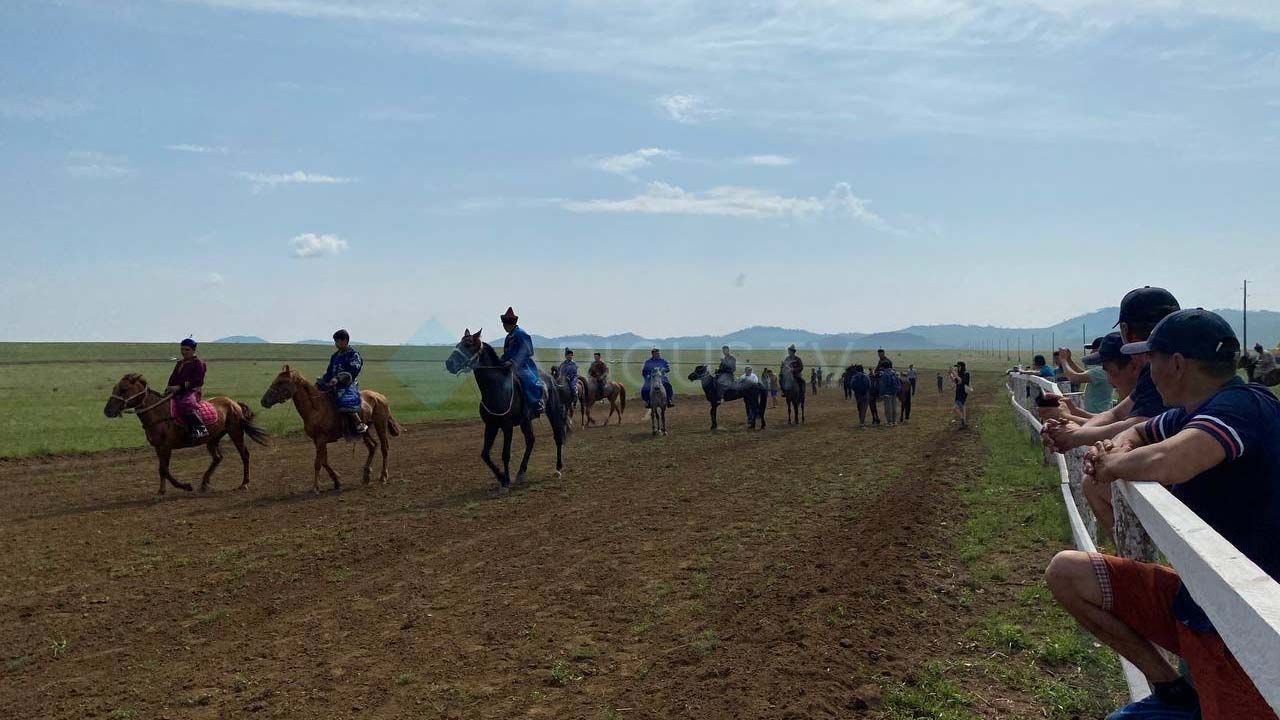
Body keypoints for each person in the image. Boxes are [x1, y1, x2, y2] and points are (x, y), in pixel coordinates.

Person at [1045, 309, 1279, 720]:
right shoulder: (1193, 410)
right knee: (1068, 572)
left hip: (1246, 626)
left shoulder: (1241, 407)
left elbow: (1176, 460)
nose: (1146, 372)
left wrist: (1112, 466)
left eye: (1150, 360)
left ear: (1175, 364)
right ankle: (1172, 687)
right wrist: (1118, 448)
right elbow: (1135, 431)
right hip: (1204, 602)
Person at [1043, 287, 1180, 453]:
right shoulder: (1154, 371)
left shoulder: (1158, 372)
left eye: (1109, 370)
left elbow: (1138, 425)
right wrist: (1075, 430)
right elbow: (1116, 415)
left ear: (1125, 329)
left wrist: (1074, 433)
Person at [318, 329, 367, 435]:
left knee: (344, 399)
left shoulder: (354, 355)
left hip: (348, 384)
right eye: (335, 341)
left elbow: (353, 370)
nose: (336, 344)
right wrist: (323, 381)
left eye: (337, 341)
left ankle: (359, 423)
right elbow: (329, 372)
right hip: (334, 383)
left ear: (345, 341)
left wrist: (339, 379)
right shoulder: (335, 356)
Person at [499, 307, 544, 418]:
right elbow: (507, 353)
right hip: (509, 364)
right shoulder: (509, 336)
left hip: (523, 365)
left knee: (528, 380)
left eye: (504, 324)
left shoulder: (521, 334)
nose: (503, 326)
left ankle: (537, 403)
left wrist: (513, 362)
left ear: (508, 324)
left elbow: (528, 351)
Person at [1055, 339, 1116, 414]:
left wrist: (1063, 360)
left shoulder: (1100, 371)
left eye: (1093, 350)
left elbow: (1074, 378)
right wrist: (1069, 360)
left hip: (1097, 412)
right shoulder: (1102, 370)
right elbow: (1082, 373)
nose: (1091, 352)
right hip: (1100, 411)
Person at [166, 337, 209, 440]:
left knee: (186, 403)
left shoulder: (198, 363)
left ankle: (201, 428)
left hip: (193, 391)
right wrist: (168, 389)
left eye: (187, 349)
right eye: (182, 349)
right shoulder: (180, 363)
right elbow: (173, 378)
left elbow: (197, 381)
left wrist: (180, 387)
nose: (184, 352)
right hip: (179, 391)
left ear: (193, 350)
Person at [878, 360, 901, 426]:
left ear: (883, 367)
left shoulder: (884, 374)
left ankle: (889, 422)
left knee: (888, 408)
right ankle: (894, 421)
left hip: (887, 392)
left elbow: (883, 385)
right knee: (894, 407)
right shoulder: (893, 373)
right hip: (894, 392)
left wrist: (881, 393)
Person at [951, 361, 970, 428]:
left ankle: (963, 420)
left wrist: (954, 373)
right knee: (962, 408)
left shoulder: (966, 374)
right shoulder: (960, 374)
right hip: (959, 393)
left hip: (962, 393)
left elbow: (960, 381)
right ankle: (964, 423)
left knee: (956, 408)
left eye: (958, 367)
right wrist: (951, 375)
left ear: (961, 367)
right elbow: (955, 381)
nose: (957, 368)